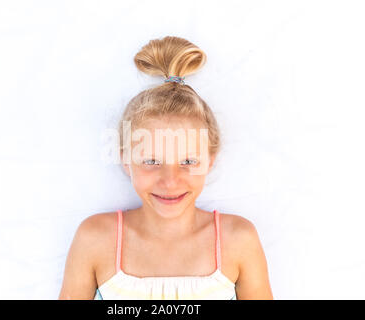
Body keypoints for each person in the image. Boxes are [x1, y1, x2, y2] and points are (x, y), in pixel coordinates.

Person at [58, 36, 273, 300]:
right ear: (127, 161)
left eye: (188, 162)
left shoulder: (239, 240)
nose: (170, 181)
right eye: (151, 162)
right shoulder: (95, 239)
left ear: (209, 161)